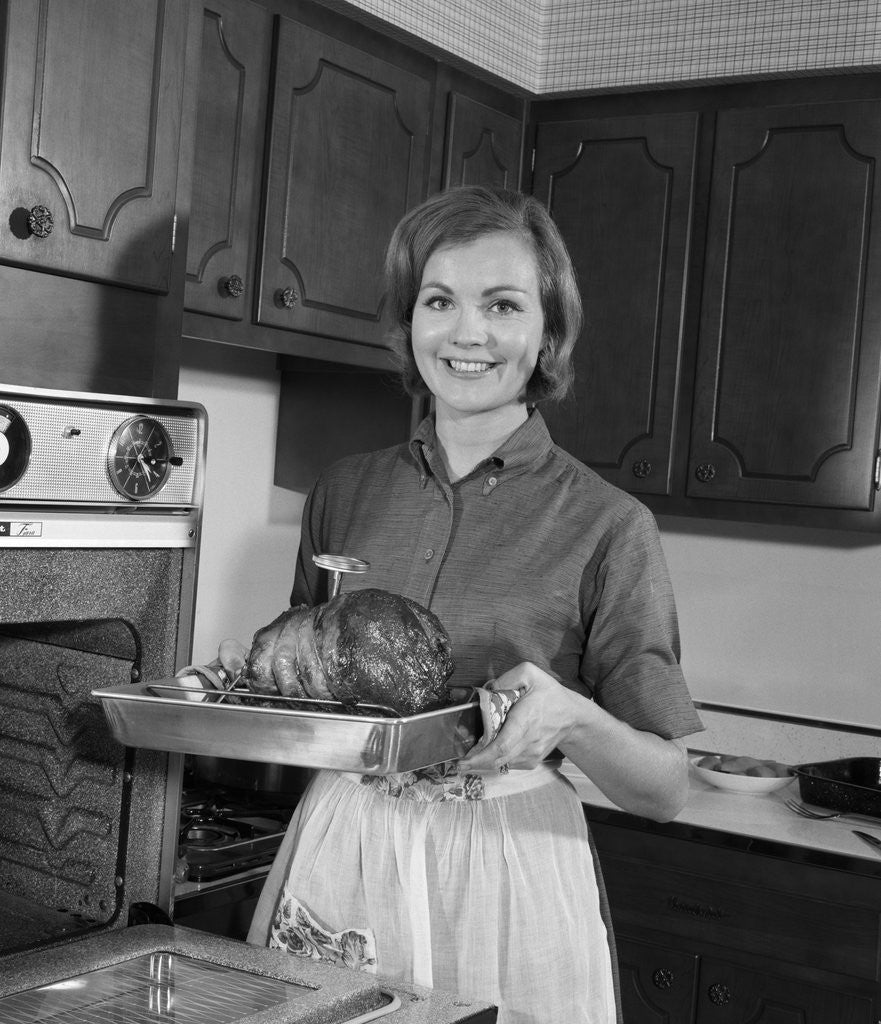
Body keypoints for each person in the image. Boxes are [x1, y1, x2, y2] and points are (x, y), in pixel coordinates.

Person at [218, 185, 703, 1024]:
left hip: (504, 872)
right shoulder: (343, 491)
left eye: (502, 305)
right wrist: (242, 685)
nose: (466, 333)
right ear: (409, 322)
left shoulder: (607, 524)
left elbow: (666, 790)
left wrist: (575, 718)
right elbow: (306, 691)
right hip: (342, 849)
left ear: (548, 333)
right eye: (439, 301)